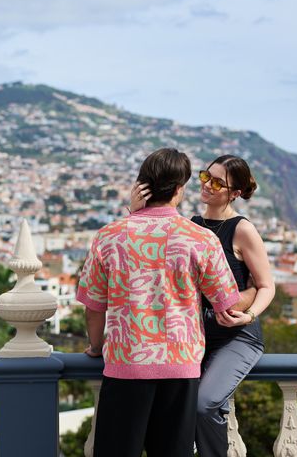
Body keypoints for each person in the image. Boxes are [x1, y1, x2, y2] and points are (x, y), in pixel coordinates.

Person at [77, 148, 241, 457]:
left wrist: (97, 348)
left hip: (126, 366)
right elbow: (225, 304)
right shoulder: (202, 239)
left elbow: (94, 307)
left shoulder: (109, 236)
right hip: (180, 368)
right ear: (180, 189)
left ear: (142, 186)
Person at [131, 154, 276, 456]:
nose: (207, 186)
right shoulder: (191, 226)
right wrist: (137, 213)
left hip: (236, 337)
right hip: (195, 337)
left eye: (217, 182)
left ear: (235, 192)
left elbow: (266, 285)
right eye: (205, 177)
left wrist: (247, 315)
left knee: (203, 404)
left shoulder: (242, 229)